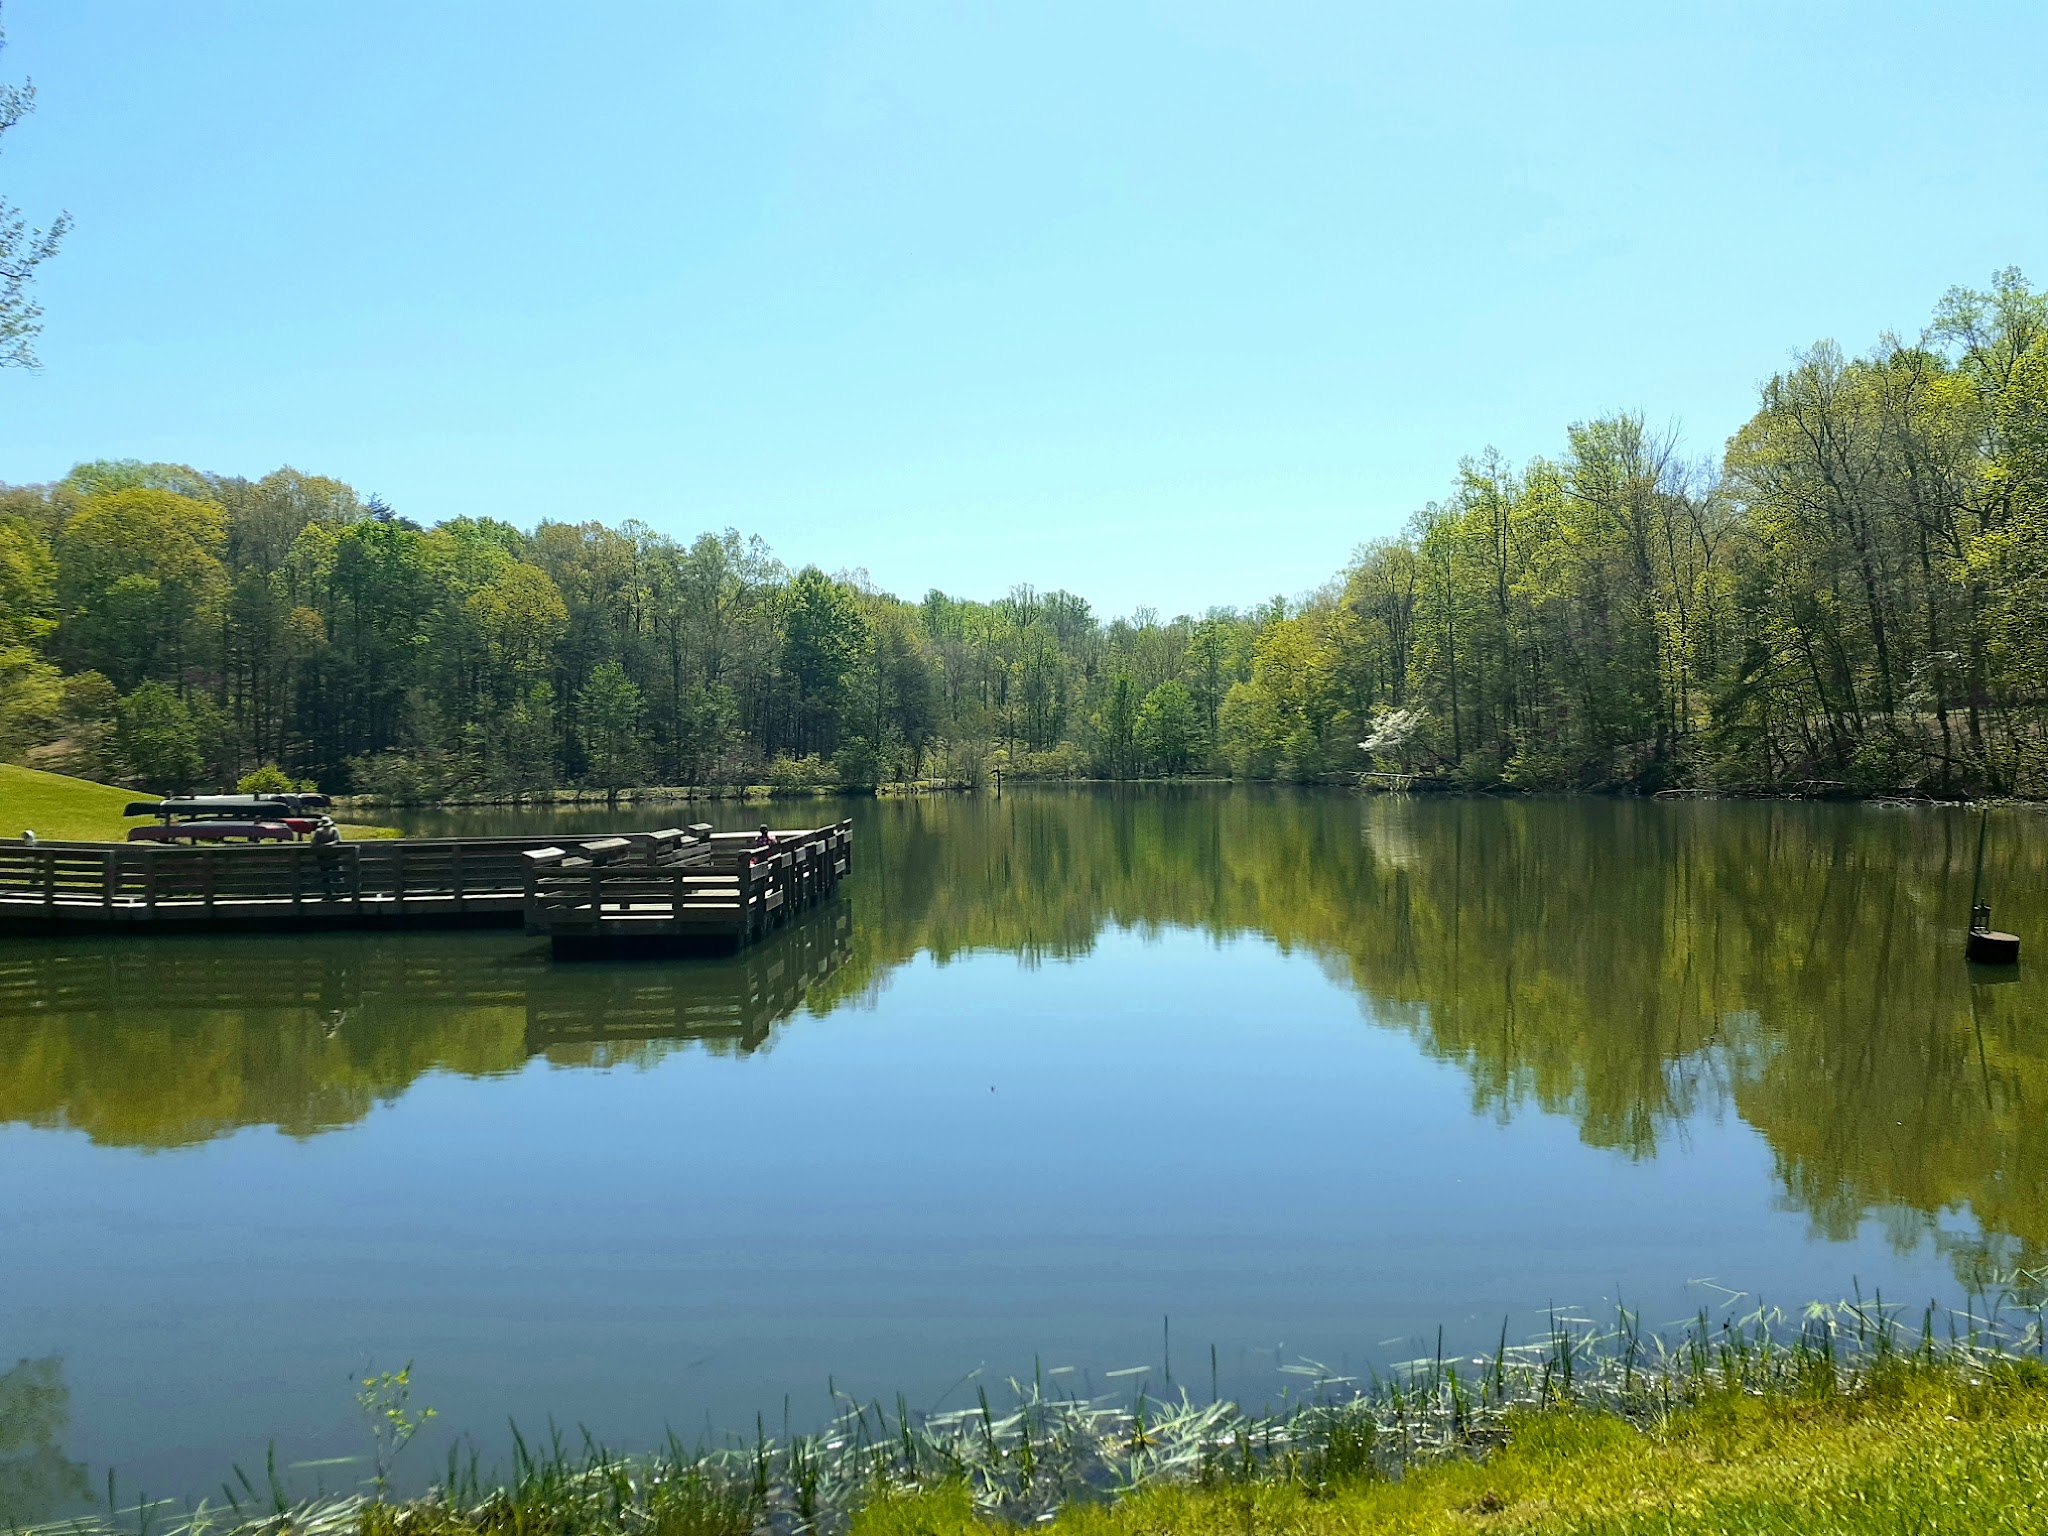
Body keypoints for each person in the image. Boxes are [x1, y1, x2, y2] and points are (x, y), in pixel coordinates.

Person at [311, 815, 343, 899]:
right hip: (323, 857)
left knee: (336, 875)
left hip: (333, 856)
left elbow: (337, 840)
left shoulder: (334, 831)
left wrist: (326, 845)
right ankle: (328, 893)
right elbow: (313, 843)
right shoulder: (318, 832)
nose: (326, 827)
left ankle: (338, 892)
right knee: (325, 876)